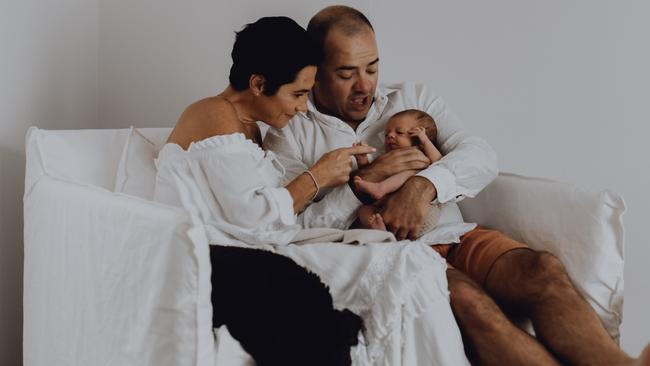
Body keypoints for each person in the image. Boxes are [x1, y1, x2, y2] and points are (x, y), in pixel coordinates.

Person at [263, 5, 650, 365]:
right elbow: (291, 230)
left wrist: (423, 187)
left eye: (373, 67)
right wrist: (363, 184)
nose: (364, 85)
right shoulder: (290, 130)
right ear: (315, 69)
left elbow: (480, 155)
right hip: (394, 256)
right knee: (469, 302)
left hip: (455, 233)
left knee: (542, 269)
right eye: (346, 74)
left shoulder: (412, 97)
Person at [154, 16, 470, 366]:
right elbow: (252, 220)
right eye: (298, 94)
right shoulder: (215, 114)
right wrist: (316, 177)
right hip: (222, 259)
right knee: (410, 263)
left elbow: (275, 219)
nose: (303, 107)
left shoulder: (250, 130)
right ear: (258, 83)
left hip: (264, 251)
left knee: (412, 261)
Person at [353, 109, 443, 235]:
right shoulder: (386, 158)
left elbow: (439, 161)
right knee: (363, 211)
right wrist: (362, 160)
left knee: (411, 174)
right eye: (386, 134)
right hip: (386, 211)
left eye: (399, 132)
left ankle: (380, 188)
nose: (390, 135)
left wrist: (425, 141)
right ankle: (380, 231)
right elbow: (372, 176)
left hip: (419, 213)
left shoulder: (420, 154)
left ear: (418, 136)